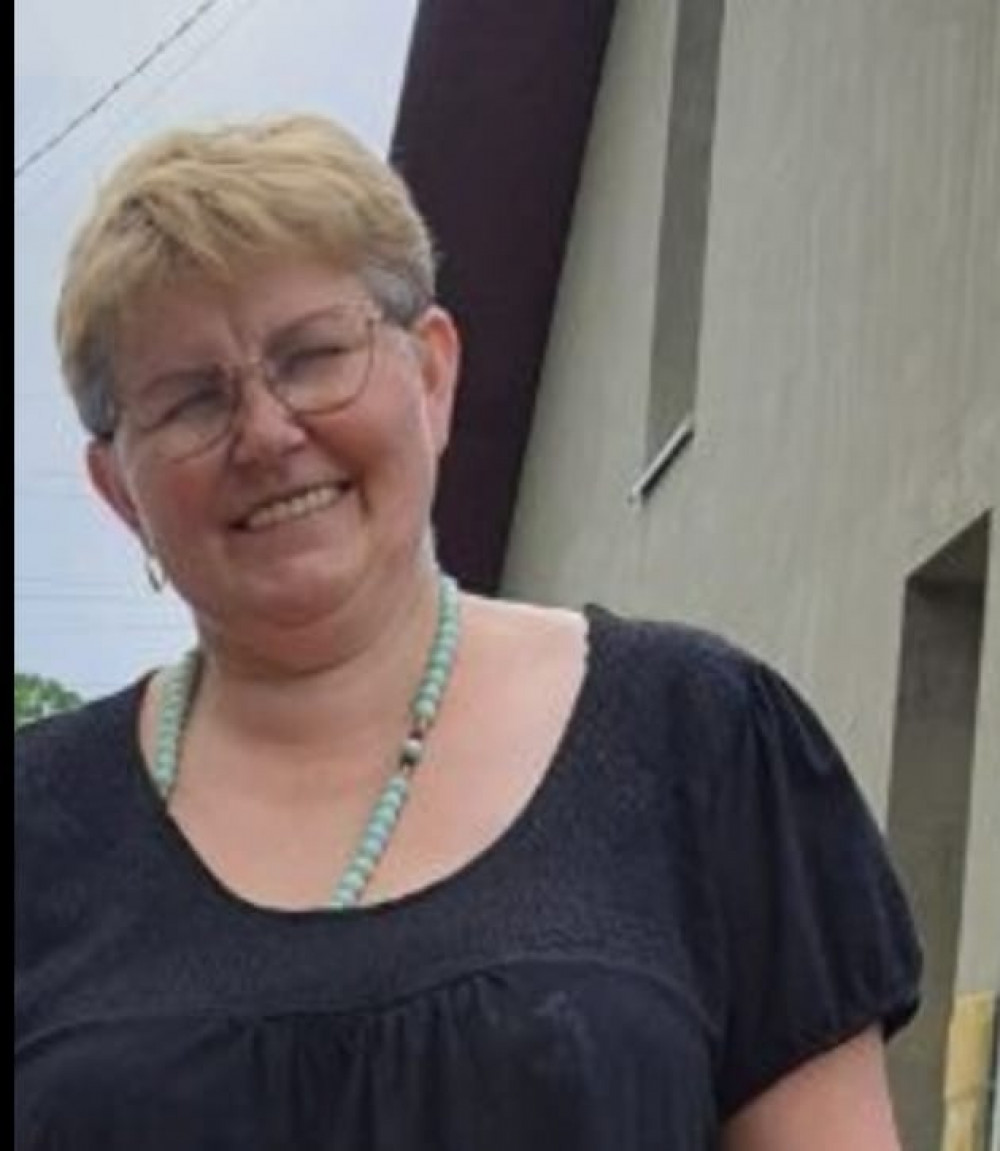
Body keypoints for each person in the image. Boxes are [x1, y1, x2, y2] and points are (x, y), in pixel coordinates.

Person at [15, 113, 921, 1150]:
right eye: (189, 400)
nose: (264, 432)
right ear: (117, 488)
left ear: (433, 374)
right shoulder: (34, 829)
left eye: (312, 356)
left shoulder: (699, 741)